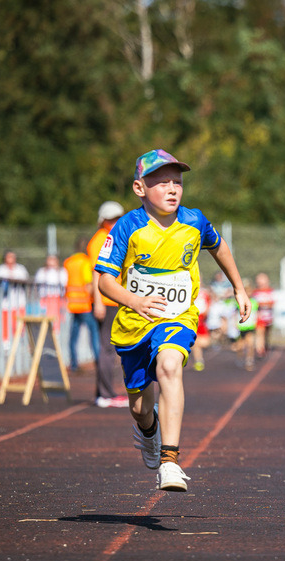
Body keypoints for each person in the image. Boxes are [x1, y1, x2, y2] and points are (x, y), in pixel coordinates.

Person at [95, 149, 250, 492]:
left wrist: (239, 287)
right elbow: (105, 280)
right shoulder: (127, 227)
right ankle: (149, 433)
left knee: (169, 365)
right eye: (161, 182)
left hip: (178, 315)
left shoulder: (195, 221)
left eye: (177, 182)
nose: (171, 189)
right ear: (139, 188)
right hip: (134, 323)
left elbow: (220, 248)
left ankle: (170, 460)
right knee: (139, 408)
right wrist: (134, 300)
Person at [89, 201, 128, 407]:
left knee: (108, 348)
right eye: (111, 219)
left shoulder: (110, 237)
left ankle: (103, 393)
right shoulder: (100, 240)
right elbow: (97, 273)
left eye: (118, 217)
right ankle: (105, 395)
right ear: (102, 221)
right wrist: (98, 302)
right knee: (107, 349)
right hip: (106, 300)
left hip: (112, 299)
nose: (115, 222)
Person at [63, 237, 99, 371]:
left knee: (73, 335)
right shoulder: (85, 262)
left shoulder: (68, 262)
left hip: (72, 303)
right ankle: (98, 360)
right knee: (94, 333)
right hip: (85, 304)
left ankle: (73, 363)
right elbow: (88, 283)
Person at [0, 250, 30, 345]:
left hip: (19, 302)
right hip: (5, 303)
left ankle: (18, 343)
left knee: (19, 325)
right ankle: (6, 345)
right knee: (5, 325)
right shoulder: (0, 270)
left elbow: (26, 282)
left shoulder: (20, 269)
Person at [34, 253, 67, 331]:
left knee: (57, 321)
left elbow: (64, 283)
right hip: (45, 299)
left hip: (57, 299)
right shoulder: (42, 271)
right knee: (44, 320)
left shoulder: (61, 271)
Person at [253, 272, 275, 358]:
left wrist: (264, 304)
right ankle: (259, 349)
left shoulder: (270, 291)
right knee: (260, 332)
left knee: (267, 333)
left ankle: (266, 346)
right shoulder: (255, 292)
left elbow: (272, 302)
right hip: (259, 316)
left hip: (268, 316)